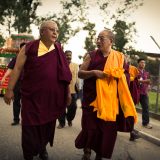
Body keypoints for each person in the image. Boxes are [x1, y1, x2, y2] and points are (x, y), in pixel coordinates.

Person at [4, 20, 72, 160]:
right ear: (42, 31)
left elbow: (65, 73)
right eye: (52, 29)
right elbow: (17, 68)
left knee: (47, 126)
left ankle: (42, 148)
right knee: (29, 126)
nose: (55, 32)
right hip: (32, 97)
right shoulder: (29, 47)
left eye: (57, 30)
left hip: (51, 99)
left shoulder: (58, 49)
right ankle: (28, 154)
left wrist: (68, 93)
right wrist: (9, 89)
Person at [75, 29, 138, 160]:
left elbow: (126, 76)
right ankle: (87, 151)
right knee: (89, 128)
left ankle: (99, 154)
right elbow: (80, 73)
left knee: (105, 131)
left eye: (101, 38)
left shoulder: (120, 58)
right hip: (92, 100)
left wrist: (118, 75)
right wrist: (93, 72)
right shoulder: (91, 55)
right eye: (97, 38)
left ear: (111, 41)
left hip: (110, 102)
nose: (98, 41)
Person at [0, 42, 26, 125]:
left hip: (28, 84)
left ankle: (25, 120)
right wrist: (4, 78)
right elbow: (10, 69)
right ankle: (16, 119)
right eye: (22, 48)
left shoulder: (31, 59)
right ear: (19, 49)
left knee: (26, 103)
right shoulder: (16, 58)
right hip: (17, 83)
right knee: (16, 102)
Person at [57, 50, 79, 128]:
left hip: (73, 91)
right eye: (67, 55)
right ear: (64, 56)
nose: (68, 56)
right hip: (61, 90)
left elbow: (77, 78)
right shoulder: (60, 65)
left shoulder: (76, 65)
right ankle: (61, 123)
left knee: (73, 107)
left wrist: (78, 87)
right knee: (61, 107)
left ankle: (69, 119)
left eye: (70, 55)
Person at [137, 58, 152, 129]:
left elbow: (149, 82)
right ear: (138, 63)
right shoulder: (135, 71)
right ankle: (126, 122)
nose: (143, 64)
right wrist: (145, 81)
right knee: (131, 107)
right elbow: (135, 80)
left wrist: (148, 86)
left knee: (146, 107)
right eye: (141, 62)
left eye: (144, 63)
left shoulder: (146, 73)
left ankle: (145, 123)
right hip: (136, 92)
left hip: (144, 93)